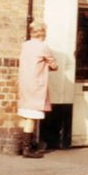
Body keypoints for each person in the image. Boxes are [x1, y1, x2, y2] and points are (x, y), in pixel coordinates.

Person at [16, 21, 58, 159]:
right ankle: (27, 150)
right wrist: (48, 64)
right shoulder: (43, 47)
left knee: (25, 114)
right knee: (31, 117)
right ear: (43, 33)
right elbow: (54, 65)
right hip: (36, 86)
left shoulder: (25, 45)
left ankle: (21, 145)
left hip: (24, 84)